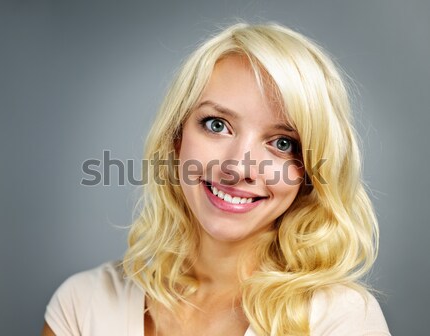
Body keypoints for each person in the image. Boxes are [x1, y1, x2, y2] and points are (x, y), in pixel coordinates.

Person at [42, 22, 391, 335]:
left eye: (282, 143)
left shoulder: (341, 320)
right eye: (217, 125)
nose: (238, 167)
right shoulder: (83, 303)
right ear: (176, 138)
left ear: (309, 173)